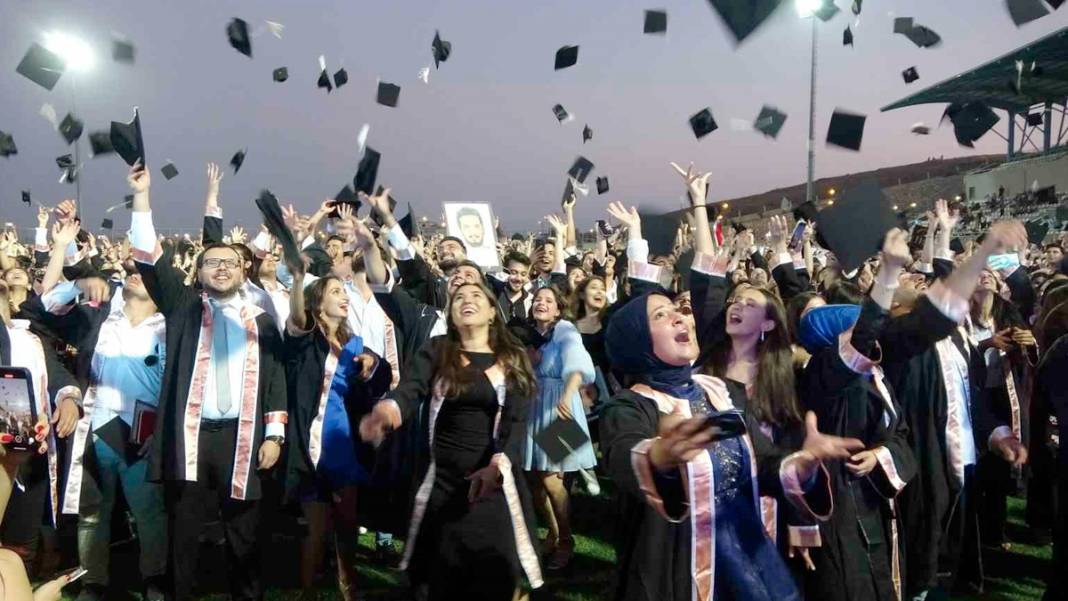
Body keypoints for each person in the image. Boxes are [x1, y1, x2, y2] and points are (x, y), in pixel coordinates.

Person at [598, 291, 863, 601]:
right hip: (678, 567)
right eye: (660, 315)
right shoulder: (630, 407)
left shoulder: (718, 391)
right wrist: (660, 457)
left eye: (678, 310)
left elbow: (761, 461)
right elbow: (622, 452)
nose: (680, 315)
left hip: (747, 556)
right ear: (637, 340)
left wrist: (802, 464)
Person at [125, 164, 287, 601]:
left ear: (242, 272)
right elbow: (150, 257)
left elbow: (274, 380)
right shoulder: (183, 308)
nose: (220, 268)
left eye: (230, 262)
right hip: (192, 438)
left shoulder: (261, 321)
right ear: (197, 272)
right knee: (186, 537)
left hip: (243, 438)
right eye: (211, 262)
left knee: (244, 535)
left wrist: (274, 435)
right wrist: (142, 198)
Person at [359, 281, 543, 600]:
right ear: (451, 313)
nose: (466, 300)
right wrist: (387, 412)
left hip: (490, 485)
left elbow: (516, 424)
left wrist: (496, 468)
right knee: (438, 579)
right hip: (440, 485)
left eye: (476, 296)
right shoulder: (438, 349)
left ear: (490, 312)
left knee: (490, 578)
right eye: (458, 297)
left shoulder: (511, 358)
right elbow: (411, 389)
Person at [23, 260, 169, 601]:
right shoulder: (99, 318)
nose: (135, 272)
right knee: (92, 512)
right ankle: (93, 581)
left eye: (145, 273)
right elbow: (35, 314)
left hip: (142, 434)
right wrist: (77, 285)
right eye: (133, 268)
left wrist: (160, 433)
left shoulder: (171, 326)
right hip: (97, 426)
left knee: (149, 513)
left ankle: (154, 578)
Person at [282, 259, 391, 601]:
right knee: (315, 528)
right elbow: (297, 319)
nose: (344, 296)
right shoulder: (306, 339)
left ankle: (348, 587)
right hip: (308, 439)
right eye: (335, 291)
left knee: (346, 522)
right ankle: (308, 591)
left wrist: (374, 366)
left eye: (344, 291)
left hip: (341, 439)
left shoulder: (355, 343)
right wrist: (299, 279)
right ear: (318, 303)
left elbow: (380, 379)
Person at [522, 285, 597, 570]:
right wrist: (527, 364)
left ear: (557, 308)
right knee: (534, 481)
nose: (541, 303)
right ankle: (552, 533)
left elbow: (578, 364)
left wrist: (568, 396)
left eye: (548, 300)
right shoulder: (528, 336)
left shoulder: (565, 330)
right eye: (538, 299)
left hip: (561, 407)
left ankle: (566, 540)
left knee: (553, 480)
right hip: (534, 406)